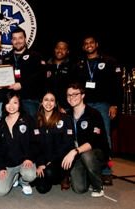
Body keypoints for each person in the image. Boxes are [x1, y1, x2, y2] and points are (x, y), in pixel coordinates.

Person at [73, 35, 123, 185]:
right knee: (81, 136)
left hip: (103, 105)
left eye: (91, 43)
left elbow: (117, 86)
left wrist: (115, 104)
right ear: (83, 47)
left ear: (96, 44)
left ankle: (106, 172)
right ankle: (87, 168)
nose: (88, 45)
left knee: (104, 136)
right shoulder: (80, 65)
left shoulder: (109, 62)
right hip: (84, 106)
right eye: (85, 44)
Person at [61, 83, 110, 197]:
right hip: (78, 155)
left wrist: (75, 151)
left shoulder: (93, 114)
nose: (71, 98)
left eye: (75, 94)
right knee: (79, 189)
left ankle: (98, 187)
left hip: (96, 153)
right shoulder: (67, 115)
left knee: (86, 155)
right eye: (69, 95)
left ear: (83, 95)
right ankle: (88, 174)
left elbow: (94, 141)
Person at [0, 91, 41, 197]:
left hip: (24, 161)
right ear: (4, 105)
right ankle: (14, 177)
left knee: (29, 175)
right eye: (8, 103)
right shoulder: (1, 124)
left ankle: (24, 182)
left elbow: (36, 143)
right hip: (8, 165)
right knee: (0, 191)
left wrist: (30, 157)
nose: (11, 106)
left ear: (19, 104)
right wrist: (1, 167)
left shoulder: (28, 120)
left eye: (15, 102)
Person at [34, 91, 74, 194]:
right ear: (41, 102)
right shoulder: (35, 118)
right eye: (46, 100)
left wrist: (52, 159)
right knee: (41, 189)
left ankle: (64, 174)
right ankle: (49, 174)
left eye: (52, 100)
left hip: (59, 158)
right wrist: (40, 163)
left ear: (56, 103)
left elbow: (66, 143)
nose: (49, 103)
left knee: (49, 172)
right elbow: (34, 144)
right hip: (42, 159)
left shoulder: (64, 118)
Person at [3, 28, 46, 116]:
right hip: (11, 102)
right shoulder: (6, 58)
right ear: (11, 41)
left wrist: (22, 85)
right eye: (14, 39)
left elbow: (40, 75)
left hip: (30, 100)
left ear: (25, 39)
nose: (17, 41)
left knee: (31, 127)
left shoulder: (35, 56)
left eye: (20, 38)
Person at [43, 40, 76, 112]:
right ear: (54, 49)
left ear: (68, 51)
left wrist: (67, 105)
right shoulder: (46, 66)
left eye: (64, 49)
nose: (60, 50)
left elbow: (74, 89)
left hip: (66, 108)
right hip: (48, 106)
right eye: (58, 48)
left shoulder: (73, 67)